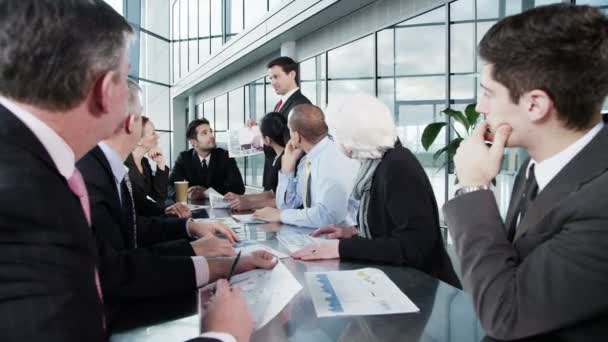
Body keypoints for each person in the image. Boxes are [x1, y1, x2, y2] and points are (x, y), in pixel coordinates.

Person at [442, 4, 608, 341]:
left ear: (535, 104)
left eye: (488, 93)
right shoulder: (539, 165)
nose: (480, 107)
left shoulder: (601, 204)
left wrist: (473, 188)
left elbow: (507, 314)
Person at [78, 80, 277, 335]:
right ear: (131, 123)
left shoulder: (105, 169)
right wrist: (217, 265)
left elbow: (134, 232)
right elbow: (119, 269)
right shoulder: (91, 174)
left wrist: (194, 234)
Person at [0, 1, 132, 340]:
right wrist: (223, 334)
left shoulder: (35, 163)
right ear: (105, 89)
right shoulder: (23, 199)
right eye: (126, 78)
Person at [291, 94, 460, 288]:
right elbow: (390, 228)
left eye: (338, 134)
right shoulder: (378, 164)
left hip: (424, 286)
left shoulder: (397, 166)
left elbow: (414, 247)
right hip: (405, 282)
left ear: (355, 134)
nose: (336, 141)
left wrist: (342, 247)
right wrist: (352, 232)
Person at [254, 104, 360, 228]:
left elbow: (328, 216)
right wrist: (287, 170)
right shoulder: (307, 161)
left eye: (289, 130)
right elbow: (287, 206)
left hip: (343, 239)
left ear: (297, 136)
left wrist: (281, 215)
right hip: (316, 235)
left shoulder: (334, 159)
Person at [125, 116, 190, 217]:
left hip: (144, 218)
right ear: (138, 140)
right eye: (153, 133)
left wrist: (161, 163)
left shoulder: (144, 163)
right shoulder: (123, 164)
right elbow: (138, 204)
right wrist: (165, 210)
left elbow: (159, 197)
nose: (157, 136)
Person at [225, 112, 289, 210]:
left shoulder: (286, 160)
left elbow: (284, 200)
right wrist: (241, 198)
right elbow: (272, 193)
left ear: (267, 140)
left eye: (260, 134)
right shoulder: (277, 157)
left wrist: (249, 204)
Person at [169, 118, 245, 200]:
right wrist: (186, 194)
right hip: (192, 209)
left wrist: (208, 193)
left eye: (210, 131)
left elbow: (239, 188)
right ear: (194, 142)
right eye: (204, 133)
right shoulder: (184, 158)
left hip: (222, 209)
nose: (211, 136)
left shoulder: (225, 156)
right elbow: (169, 187)